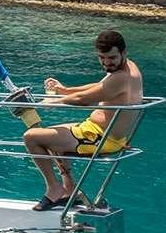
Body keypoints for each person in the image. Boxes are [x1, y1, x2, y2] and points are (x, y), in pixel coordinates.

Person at [22, 29, 144, 210]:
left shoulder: (121, 77)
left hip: (101, 139)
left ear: (123, 53)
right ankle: (70, 190)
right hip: (96, 132)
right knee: (51, 133)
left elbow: (83, 99)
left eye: (111, 58)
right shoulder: (127, 67)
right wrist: (65, 90)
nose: (106, 63)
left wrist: (53, 101)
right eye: (102, 58)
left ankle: (55, 189)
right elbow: (100, 87)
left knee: (31, 137)